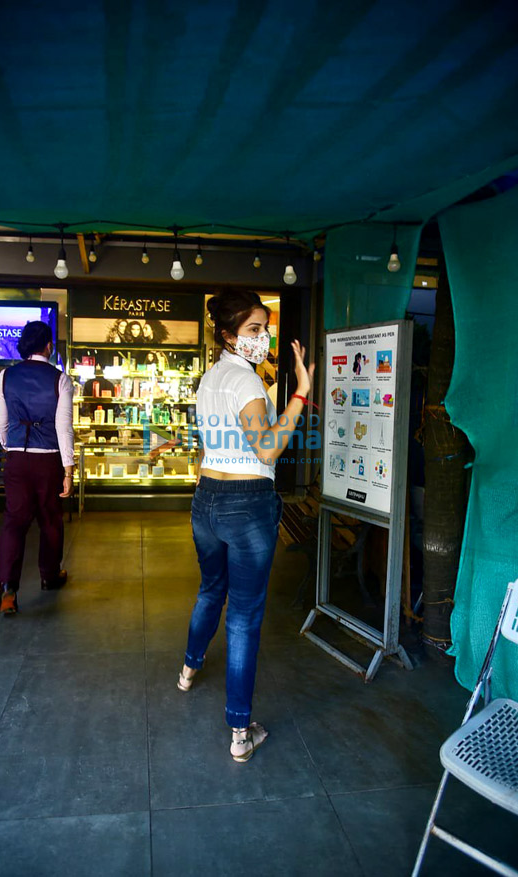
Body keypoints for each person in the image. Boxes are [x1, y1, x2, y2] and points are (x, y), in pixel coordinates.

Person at [178, 289, 314, 762]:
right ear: (229, 335)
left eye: (265, 328)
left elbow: (208, 444)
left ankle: (188, 670)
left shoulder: (209, 378)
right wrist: (299, 392)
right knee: (244, 617)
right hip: (247, 503)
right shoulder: (248, 384)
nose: (264, 337)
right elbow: (269, 449)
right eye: (254, 329)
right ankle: (240, 732)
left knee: (211, 590)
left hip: (206, 499)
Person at [0, 321, 74, 615]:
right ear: (49, 346)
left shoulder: (6, 376)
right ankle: (49, 576)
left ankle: (7, 590)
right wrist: (69, 469)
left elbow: (0, 423)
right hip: (49, 459)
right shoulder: (60, 380)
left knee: (14, 523)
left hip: (16, 459)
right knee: (50, 521)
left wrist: (11, 446)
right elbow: (64, 428)